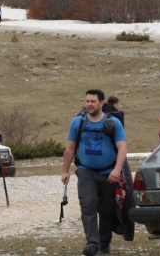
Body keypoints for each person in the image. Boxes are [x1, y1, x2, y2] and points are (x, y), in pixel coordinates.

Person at [61, 89, 127, 256]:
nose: (89, 104)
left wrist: (117, 169)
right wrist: (65, 171)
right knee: (88, 206)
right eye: (87, 101)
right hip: (85, 171)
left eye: (93, 101)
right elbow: (70, 148)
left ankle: (104, 243)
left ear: (101, 103)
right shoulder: (78, 122)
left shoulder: (113, 123)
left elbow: (122, 147)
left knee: (106, 210)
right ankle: (92, 243)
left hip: (108, 173)